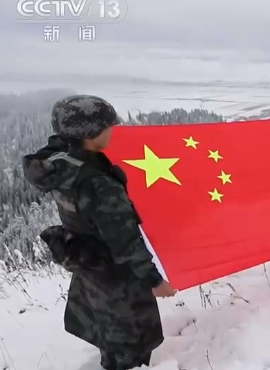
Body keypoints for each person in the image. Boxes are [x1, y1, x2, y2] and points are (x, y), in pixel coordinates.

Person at [22, 95, 177, 370]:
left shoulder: (59, 164)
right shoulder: (100, 184)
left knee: (108, 329)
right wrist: (155, 281)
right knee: (132, 344)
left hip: (89, 266)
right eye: (107, 126)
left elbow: (57, 143)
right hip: (117, 276)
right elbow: (125, 241)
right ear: (91, 133)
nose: (112, 130)